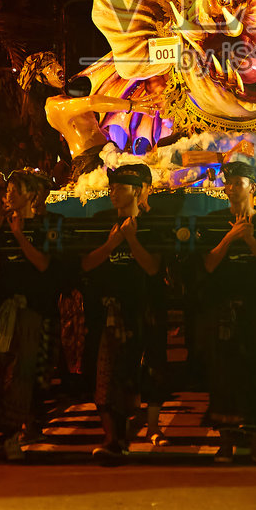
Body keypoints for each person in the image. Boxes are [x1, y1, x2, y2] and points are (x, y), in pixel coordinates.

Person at [0, 170, 55, 463]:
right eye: (8, 191)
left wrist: (19, 235)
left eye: (15, 190)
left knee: (20, 373)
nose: (9, 196)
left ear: (31, 195)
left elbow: (43, 264)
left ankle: (11, 436)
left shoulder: (43, 226)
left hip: (29, 308)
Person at [79, 163, 162, 463]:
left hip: (138, 309)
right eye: (111, 187)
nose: (113, 193)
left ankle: (124, 436)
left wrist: (132, 239)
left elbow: (152, 268)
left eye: (121, 188)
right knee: (103, 376)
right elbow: (86, 264)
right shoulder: (101, 222)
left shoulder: (151, 225)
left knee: (131, 375)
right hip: (106, 310)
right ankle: (112, 438)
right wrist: (112, 243)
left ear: (137, 192)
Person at [198, 161, 256, 467]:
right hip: (222, 307)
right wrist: (230, 237)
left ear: (252, 187)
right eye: (228, 183)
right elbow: (207, 264)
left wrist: (250, 240)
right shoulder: (213, 221)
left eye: (238, 182)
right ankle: (226, 441)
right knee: (223, 375)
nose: (231, 188)